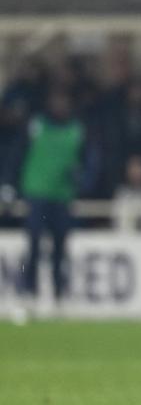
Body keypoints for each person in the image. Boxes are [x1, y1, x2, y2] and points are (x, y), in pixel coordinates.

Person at [19, 89, 84, 302]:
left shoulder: (76, 131)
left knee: (59, 246)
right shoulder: (36, 126)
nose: (60, 106)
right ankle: (29, 290)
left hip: (61, 195)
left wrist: (80, 178)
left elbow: (87, 163)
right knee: (34, 243)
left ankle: (58, 292)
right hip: (37, 192)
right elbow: (18, 153)